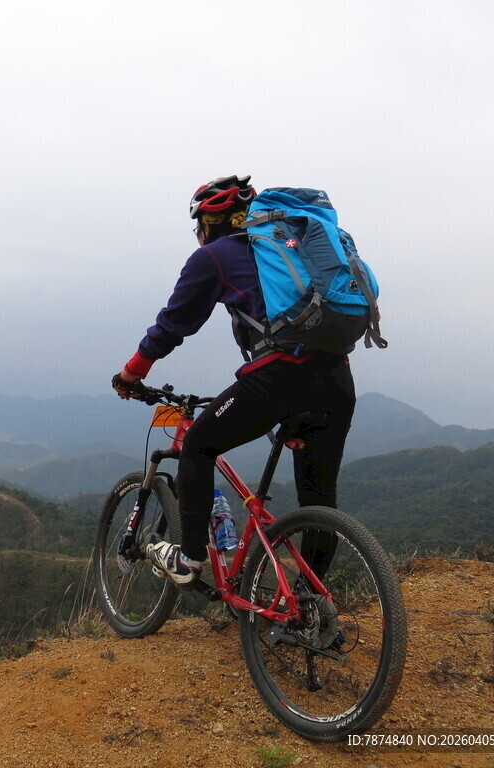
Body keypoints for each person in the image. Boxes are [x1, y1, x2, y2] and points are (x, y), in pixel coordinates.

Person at [112, 175, 356, 590]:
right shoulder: (293, 252)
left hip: (277, 379)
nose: (198, 234)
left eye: (199, 225)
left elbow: (173, 324)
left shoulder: (215, 257)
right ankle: (311, 608)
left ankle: (188, 557)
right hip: (336, 380)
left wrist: (133, 372)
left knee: (197, 445)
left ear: (211, 221)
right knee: (318, 500)